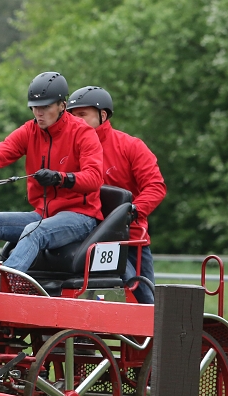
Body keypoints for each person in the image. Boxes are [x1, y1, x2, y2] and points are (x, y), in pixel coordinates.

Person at [0, 71, 104, 273]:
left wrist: (59, 178)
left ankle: (4, 286)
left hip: (81, 217)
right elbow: (0, 153)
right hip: (43, 214)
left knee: (33, 232)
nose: (39, 113)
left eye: (45, 107)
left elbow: (94, 178)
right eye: (35, 107)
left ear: (62, 106)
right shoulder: (30, 131)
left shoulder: (83, 133)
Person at [66, 86, 166, 304]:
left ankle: (152, 336)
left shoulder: (131, 146)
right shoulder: (67, 148)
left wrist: (131, 212)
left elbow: (155, 187)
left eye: (82, 115)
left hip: (127, 241)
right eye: (72, 116)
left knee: (145, 302)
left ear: (103, 115)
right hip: (81, 240)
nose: (76, 121)